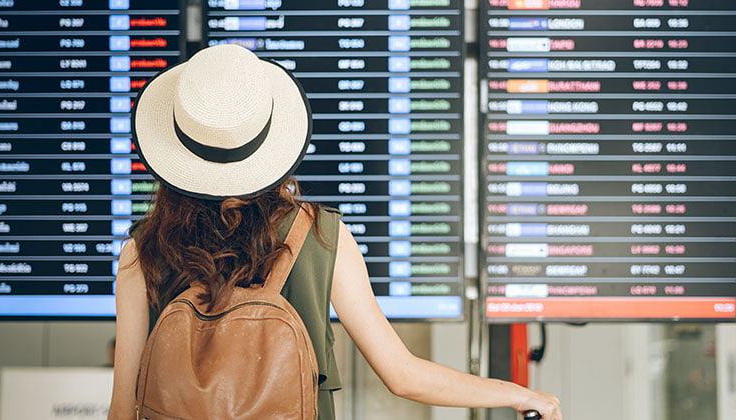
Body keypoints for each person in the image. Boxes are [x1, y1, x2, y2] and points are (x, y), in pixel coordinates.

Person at [107, 44, 562, 420]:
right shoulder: (320, 235)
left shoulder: (140, 251)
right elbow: (401, 375)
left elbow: (123, 410)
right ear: (270, 143)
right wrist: (520, 394)